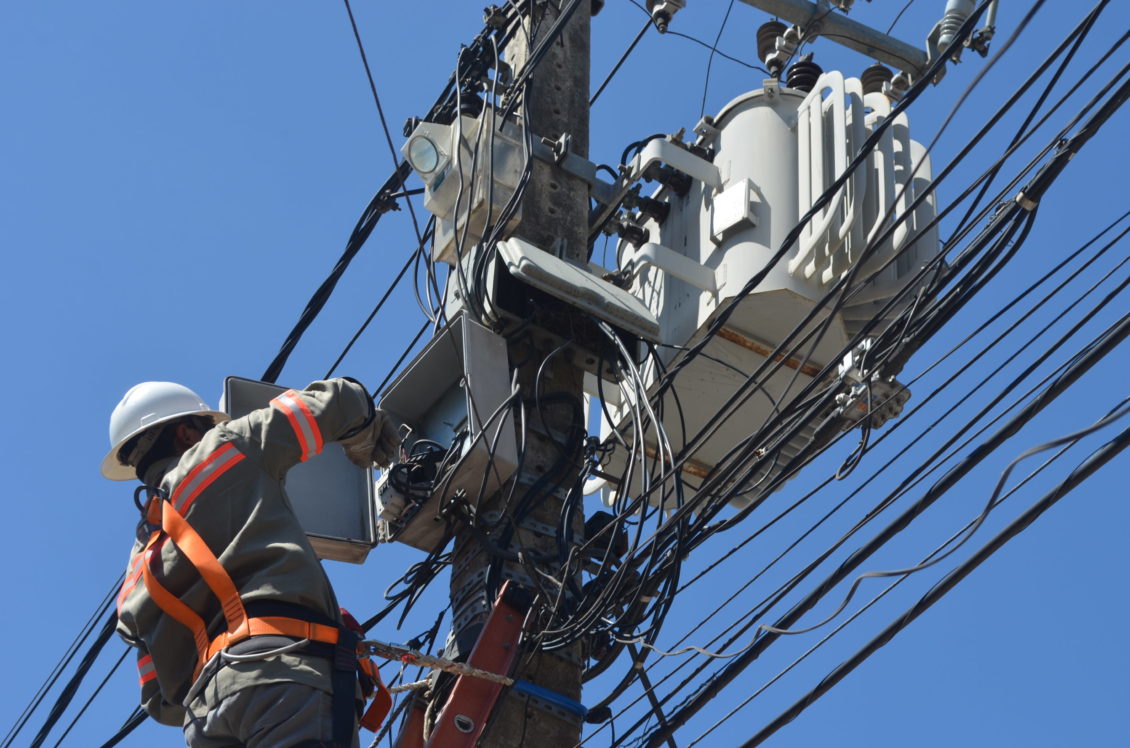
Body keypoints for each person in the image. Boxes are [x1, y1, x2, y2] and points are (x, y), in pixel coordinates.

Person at [102, 377, 399, 747]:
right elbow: (342, 399)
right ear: (184, 434)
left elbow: (158, 701)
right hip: (281, 680)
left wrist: (222, 679)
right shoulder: (223, 448)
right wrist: (365, 435)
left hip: (205, 722)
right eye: (205, 426)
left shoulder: (137, 568)